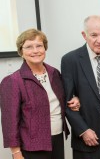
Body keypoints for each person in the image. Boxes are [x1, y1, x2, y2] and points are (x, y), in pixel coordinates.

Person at [0, 29, 80, 159]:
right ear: (21, 51)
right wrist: (16, 153)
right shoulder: (13, 81)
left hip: (57, 138)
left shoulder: (54, 73)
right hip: (32, 147)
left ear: (45, 48)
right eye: (29, 47)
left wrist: (74, 99)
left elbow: (61, 99)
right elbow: (9, 122)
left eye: (39, 45)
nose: (35, 50)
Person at [61, 15, 100, 159]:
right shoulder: (70, 60)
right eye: (94, 35)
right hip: (85, 141)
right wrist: (83, 130)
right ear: (84, 35)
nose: (99, 40)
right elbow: (67, 101)